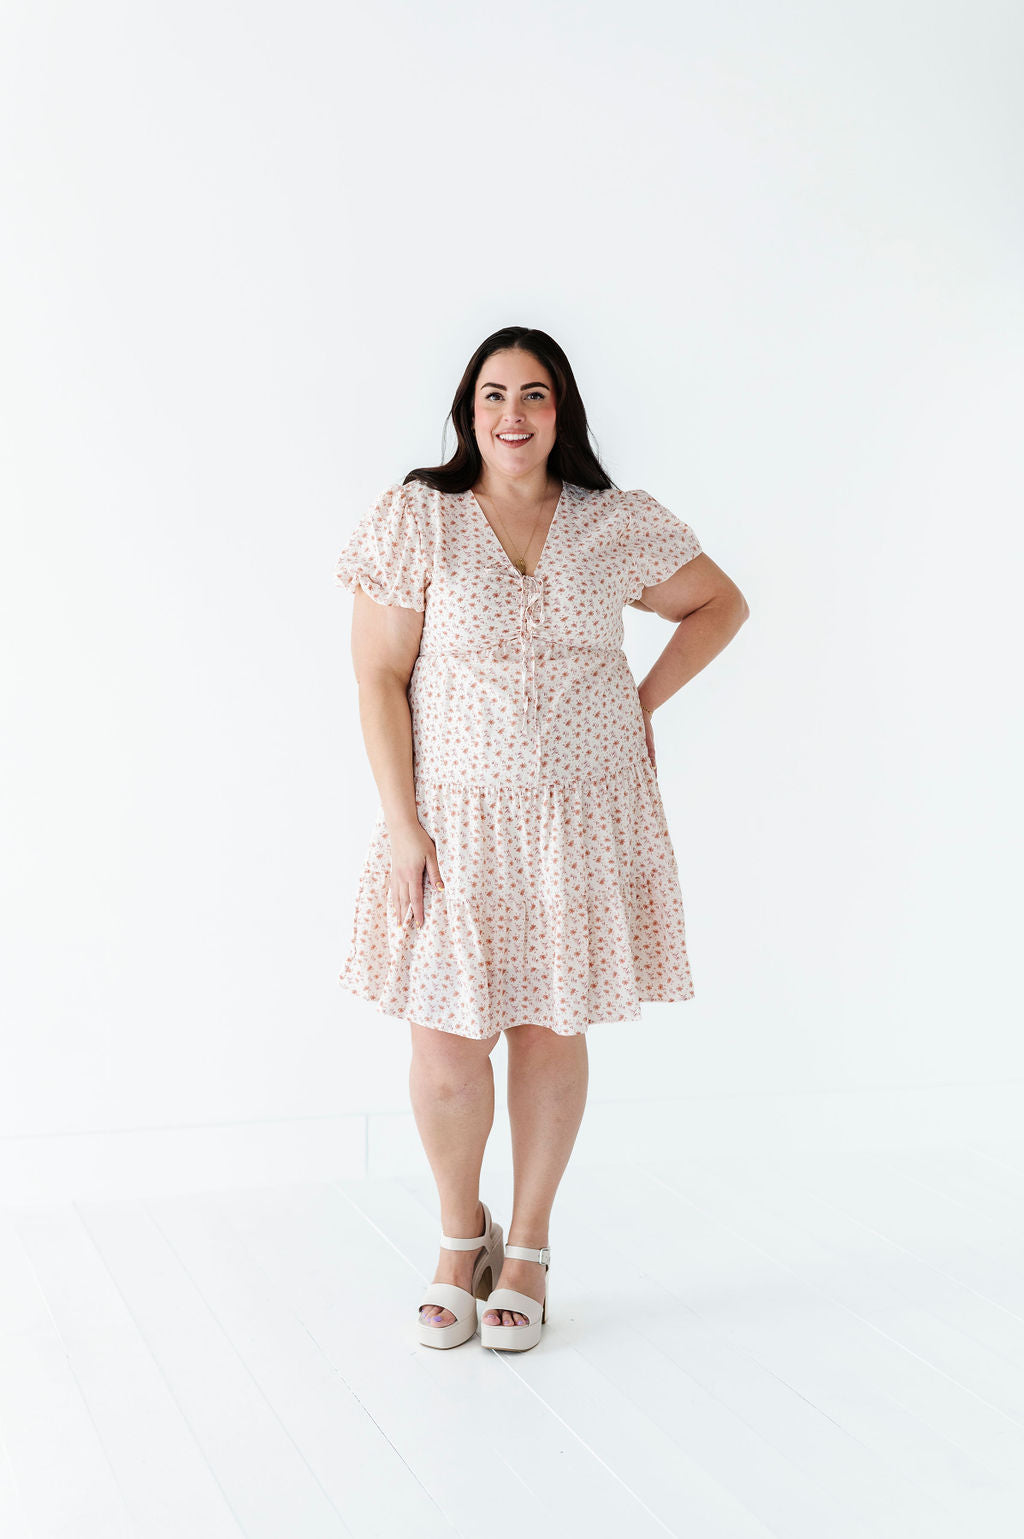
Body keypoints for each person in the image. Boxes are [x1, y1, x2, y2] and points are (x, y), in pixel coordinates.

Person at [334, 326, 749, 1351]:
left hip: (579, 823)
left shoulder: (614, 522)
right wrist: (402, 823)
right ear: (467, 411)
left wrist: (637, 702)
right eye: (493, 394)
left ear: (561, 411)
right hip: (454, 822)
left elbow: (718, 604)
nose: (511, 414)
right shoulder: (419, 519)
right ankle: (456, 1237)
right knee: (444, 1045)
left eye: (533, 394)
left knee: (549, 1029)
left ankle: (526, 1245)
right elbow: (378, 676)